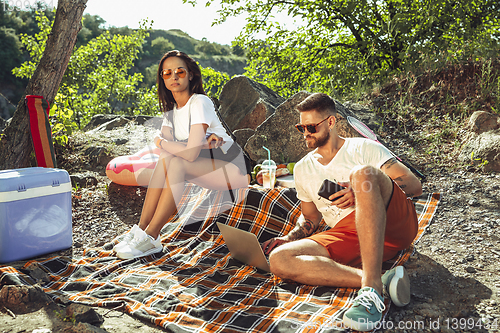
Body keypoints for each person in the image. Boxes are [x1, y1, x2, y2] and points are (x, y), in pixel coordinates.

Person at [261, 93, 422, 331]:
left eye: (311, 126)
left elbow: (414, 185)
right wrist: (288, 238)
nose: (305, 133)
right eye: (300, 127)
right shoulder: (303, 168)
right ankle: (379, 280)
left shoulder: (364, 147)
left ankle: (370, 291)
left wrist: (362, 191)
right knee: (280, 259)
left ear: (331, 122)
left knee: (362, 174)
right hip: (349, 234)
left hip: (393, 222)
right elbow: (311, 218)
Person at [113, 50, 251, 259]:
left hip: (233, 167)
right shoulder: (172, 112)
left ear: (191, 75)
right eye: (167, 73)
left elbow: (187, 153)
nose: (174, 77)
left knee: (176, 162)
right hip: (207, 164)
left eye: (179, 71)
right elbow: (169, 152)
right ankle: (141, 229)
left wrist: (163, 141)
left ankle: (152, 236)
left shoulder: (200, 102)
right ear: (162, 78)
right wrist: (194, 145)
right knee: (167, 159)